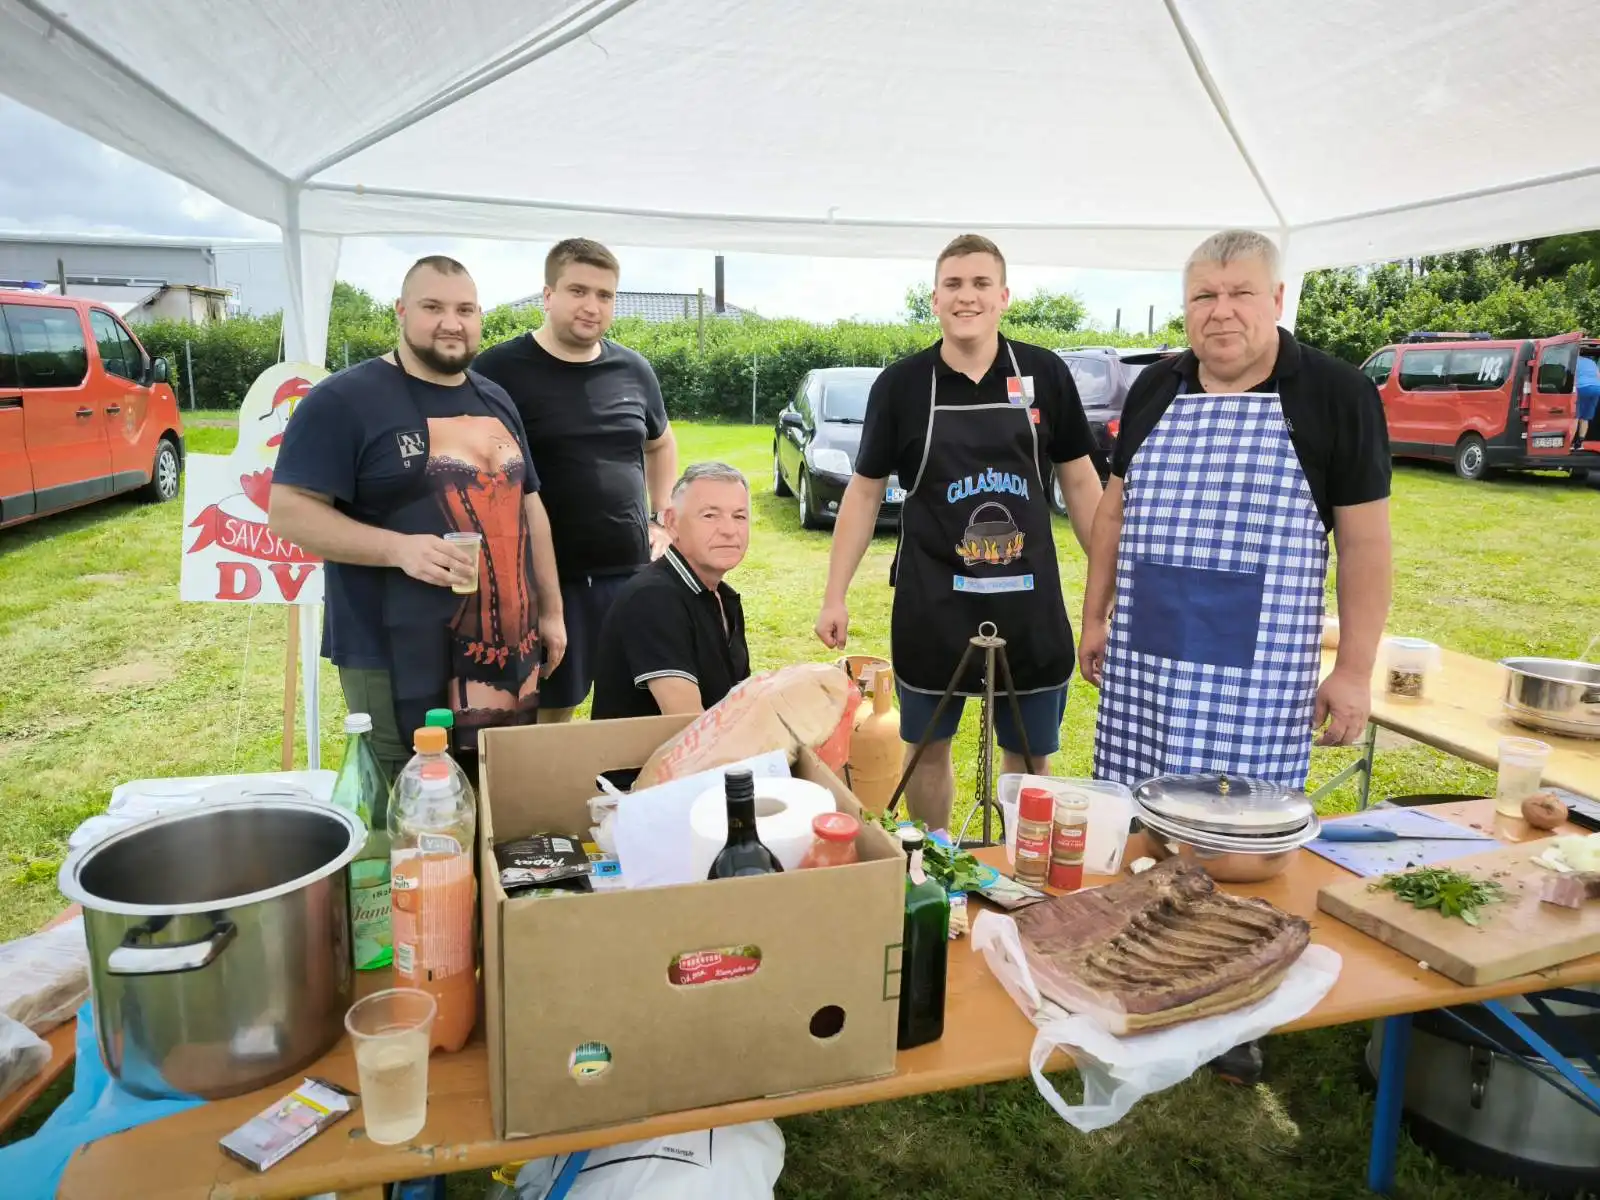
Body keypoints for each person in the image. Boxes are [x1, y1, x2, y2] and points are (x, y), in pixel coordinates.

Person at [1079, 229, 1393, 1085]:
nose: (1221, 313)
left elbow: (1365, 544)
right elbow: (1112, 512)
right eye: (1203, 298)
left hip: (1258, 668)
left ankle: (1236, 1004)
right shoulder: (1154, 388)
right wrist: (1094, 615)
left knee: (1238, 842)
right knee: (1139, 816)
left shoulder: (1334, 395)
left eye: (1240, 294)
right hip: (1147, 652)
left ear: (1278, 300)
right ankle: (1127, 970)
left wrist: (1356, 670)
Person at [814, 234, 1104, 832]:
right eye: (953, 284)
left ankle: (1018, 862)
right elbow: (865, 492)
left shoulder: (1044, 373)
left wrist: (1110, 586)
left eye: (979, 284)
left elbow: (1080, 483)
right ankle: (938, 861)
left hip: (1028, 599)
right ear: (935, 299)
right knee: (926, 748)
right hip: (934, 600)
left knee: (1028, 752)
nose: (965, 296)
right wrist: (834, 593)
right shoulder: (900, 385)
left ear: (1003, 296)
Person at [269, 255, 565, 779]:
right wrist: (398, 548)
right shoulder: (344, 400)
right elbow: (290, 513)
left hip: (504, 650)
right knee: (408, 799)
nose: (451, 322)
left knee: (497, 788)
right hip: (389, 650)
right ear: (401, 311)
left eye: (465, 309)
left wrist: (552, 612)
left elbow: (531, 504)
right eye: (433, 307)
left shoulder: (495, 398)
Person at [472, 238, 678, 723]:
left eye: (605, 295)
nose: (592, 306)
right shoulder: (498, 371)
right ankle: (542, 798)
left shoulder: (633, 369)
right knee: (547, 716)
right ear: (548, 295)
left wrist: (661, 518)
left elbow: (660, 443)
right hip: (540, 582)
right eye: (578, 291)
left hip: (628, 573)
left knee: (632, 712)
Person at [591, 462, 751, 719]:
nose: (729, 530)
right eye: (710, 515)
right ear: (672, 522)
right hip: (653, 757)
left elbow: (738, 706)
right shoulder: (652, 600)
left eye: (739, 516)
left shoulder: (722, 595)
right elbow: (687, 724)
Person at [1575, 348, 1598, 450]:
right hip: (1597, 388)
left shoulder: (1571, 362)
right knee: (1585, 417)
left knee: (1576, 416)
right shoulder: (1591, 362)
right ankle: (1580, 441)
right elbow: (1598, 376)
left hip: (1582, 388)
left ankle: (1573, 442)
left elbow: (1570, 378)